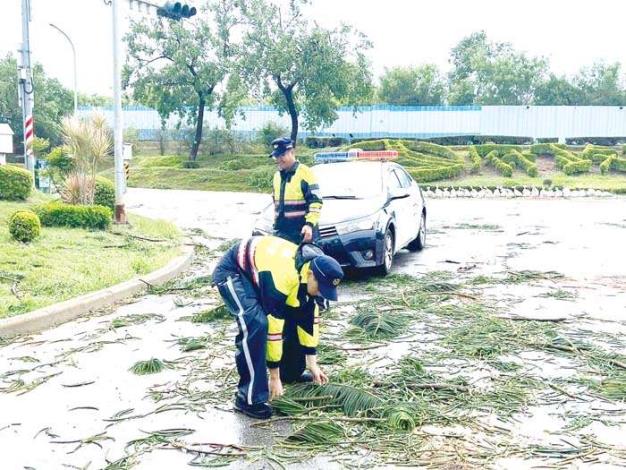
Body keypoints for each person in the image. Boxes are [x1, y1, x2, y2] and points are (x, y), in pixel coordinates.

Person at [211, 235, 344, 419]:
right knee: (256, 323)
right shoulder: (284, 276)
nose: (321, 293)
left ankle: (290, 372)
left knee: (296, 312)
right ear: (310, 275)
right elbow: (274, 327)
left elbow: (308, 319)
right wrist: (273, 377)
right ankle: (248, 398)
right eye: (321, 288)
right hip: (234, 270)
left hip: (263, 269)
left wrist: (312, 364)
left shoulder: (312, 268)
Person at [269, 137, 323, 245]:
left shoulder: (305, 173)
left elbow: (315, 202)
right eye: (276, 156)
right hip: (282, 233)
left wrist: (309, 225)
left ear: (292, 152)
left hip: (303, 232)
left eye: (282, 155)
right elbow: (276, 204)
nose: (279, 159)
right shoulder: (277, 176)